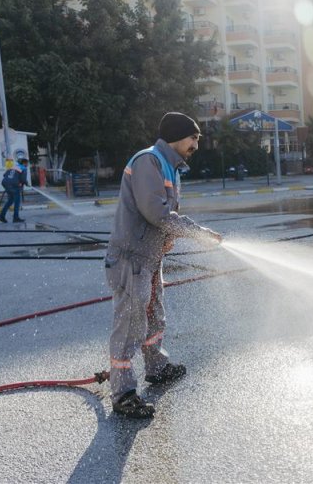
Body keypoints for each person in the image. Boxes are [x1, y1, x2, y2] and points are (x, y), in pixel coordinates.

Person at [106, 112, 222, 419]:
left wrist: (170, 237)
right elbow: (155, 212)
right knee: (131, 323)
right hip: (132, 259)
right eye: (193, 137)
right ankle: (123, 393)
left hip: (150, 257)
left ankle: (157, 367)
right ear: (177, 136)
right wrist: (197, 233)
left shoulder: (169, 165)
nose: (197, 142)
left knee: (154, 315)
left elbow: (164, 215)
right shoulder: (149, 161)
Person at [0, 158, 29, 223]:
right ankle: (16, 218)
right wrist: (27, 183)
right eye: (26, 163)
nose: (27, 165)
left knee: (10, 201)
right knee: (17, 202)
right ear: (24, 163)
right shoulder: (23, 168)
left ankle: (1, 216)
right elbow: (23, 179)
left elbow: (4, 175)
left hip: (5, 184)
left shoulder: (13, 167)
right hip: (14, 186)